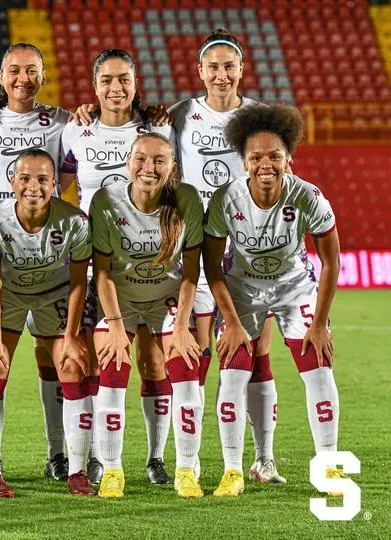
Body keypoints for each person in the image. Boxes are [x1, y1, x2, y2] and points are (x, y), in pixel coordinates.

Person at [204, 103, 340, 496]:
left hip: (294, 285)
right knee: (234, 366)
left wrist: (318, 325)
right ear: (243, 162)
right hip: (242, 288)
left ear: (288, 159)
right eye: (256, 157)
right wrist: (229, 322)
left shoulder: (309, 196)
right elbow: (213, 267)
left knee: (318, 365)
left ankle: (329, 467)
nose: (266, 164)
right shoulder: (226, 200)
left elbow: (331, 262)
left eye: (275, 156)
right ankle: (235, 470)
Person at [170, 29, 282, 483]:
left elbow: (278, 175)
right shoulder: (180, 115)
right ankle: (191, 457)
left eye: (228, 66)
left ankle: (263, 458)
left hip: (250, 250)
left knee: (256, 354)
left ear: (241, 69)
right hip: (197, 246)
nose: (220, 74)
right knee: (197, 353)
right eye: (212, 67)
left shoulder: (260, 117)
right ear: (200, 72)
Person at [59, 48, 173, 485]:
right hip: (93, 265)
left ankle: (156, 458)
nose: (116, 87)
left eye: (124, 79)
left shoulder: (159, 128)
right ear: (94, 86)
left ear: (135, 82)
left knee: (153, 361)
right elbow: (59, 183)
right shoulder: (76, 131)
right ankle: (93, 458)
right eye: (106, 80)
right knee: (93, 362)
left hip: (148, 265)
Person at [0, 43, 74, 481]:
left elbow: (69, 170)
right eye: (14, 70)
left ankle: (58, 454)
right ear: (0, 76)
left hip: (52, 259)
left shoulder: (65, 121)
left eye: (31, 70)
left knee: (55, 358)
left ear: (43, 76)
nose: (22, 78)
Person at [90, 133, 204, 498]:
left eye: (159, 161)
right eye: (140, 159)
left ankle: (185, 468)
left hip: (165, 299)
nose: (148, 168)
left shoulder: (186, 199)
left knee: (185, 366)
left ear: (172, 167)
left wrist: (184, 326)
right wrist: (116, 327)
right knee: (113, 364)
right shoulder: (106, 200)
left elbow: (191, 272)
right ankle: (112, 470)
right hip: (118, 300)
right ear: (128, 163)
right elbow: (102, 273)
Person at [0, 148, 93, 497]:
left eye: (42, 179)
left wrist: (71, 335)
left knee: (72, 364)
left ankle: (76, 469)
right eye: (25, 178)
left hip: (54, 292)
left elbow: (78, 281)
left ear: (55, 183)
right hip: (7, 292)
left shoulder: (74, 221)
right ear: (12, 181)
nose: (33, 187)